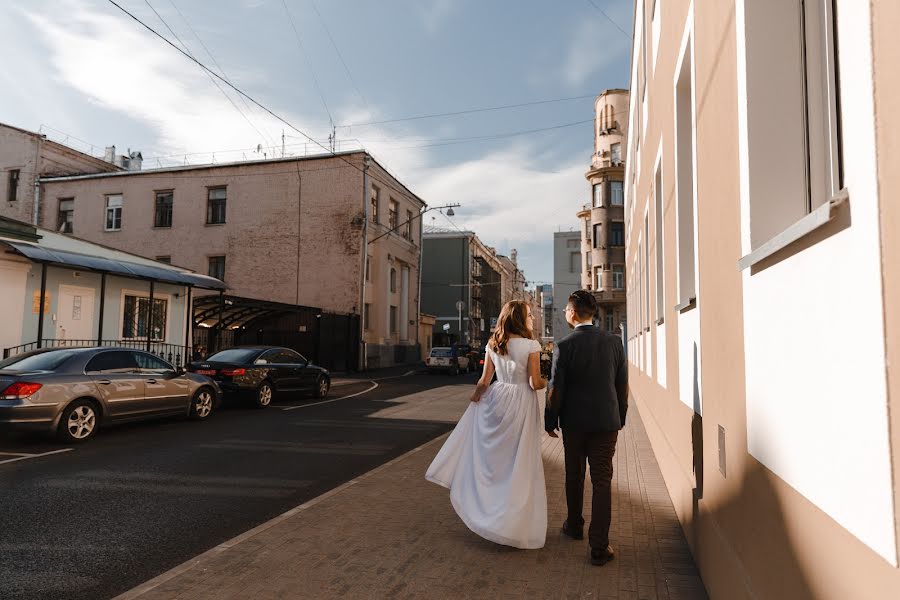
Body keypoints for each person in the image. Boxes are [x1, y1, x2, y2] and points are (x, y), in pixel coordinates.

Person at [425, 300, 549, 549]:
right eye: (529, 316)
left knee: (495, 461)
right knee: (519, 462)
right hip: (521, 402)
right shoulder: (531, 346)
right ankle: (510, 522)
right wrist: (549, 382)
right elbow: (535, 383)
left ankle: (487, 510)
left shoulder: (494, 344)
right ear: (519, 318)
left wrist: (475, 400)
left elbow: (484, 381)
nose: (532, 320)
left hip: (497, 399)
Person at [545, 290, 628, 566]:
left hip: (574, 424)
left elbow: (555, 388)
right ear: (593, 314)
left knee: (574, 475)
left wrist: (550, 420)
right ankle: (599, 546)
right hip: (606, 423)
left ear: (572, 313)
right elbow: (621, 385)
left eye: (566, 311)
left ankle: (574, 525)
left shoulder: (564, 346)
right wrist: (621, 415)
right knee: (602, 481)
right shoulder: (614, 343)